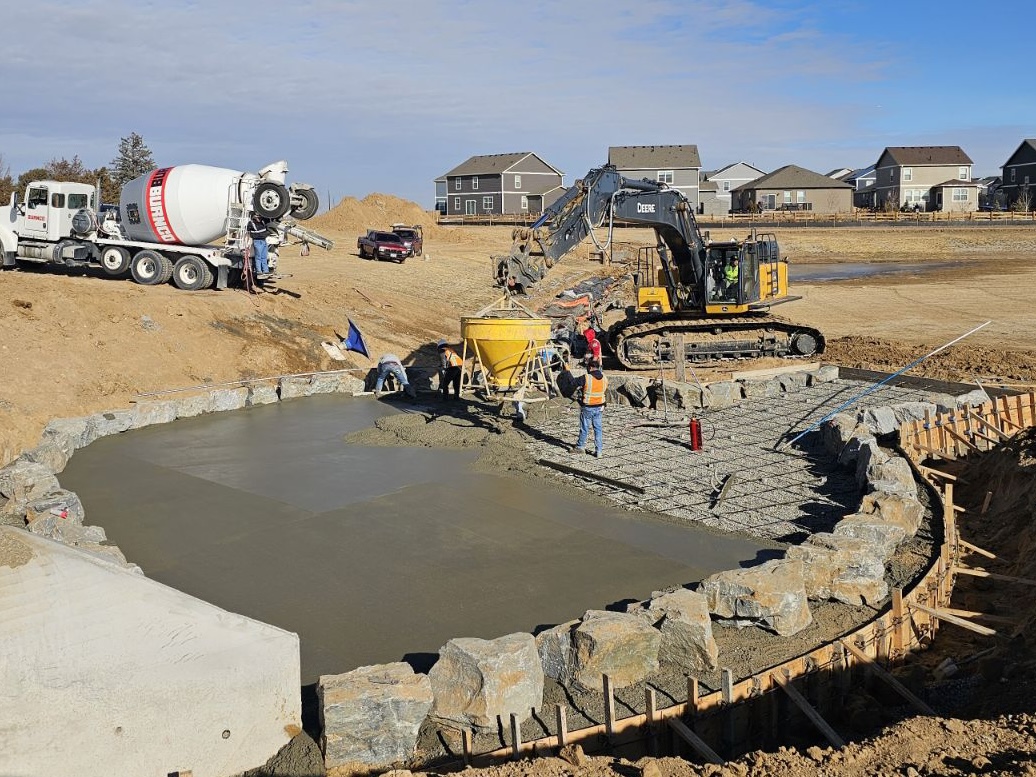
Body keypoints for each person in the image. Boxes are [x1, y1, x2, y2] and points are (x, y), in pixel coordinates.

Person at [570, 360, 608, 458]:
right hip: (600, 406)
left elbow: (573, 382)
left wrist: (567, 372)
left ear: (590, 367)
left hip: (588, 406)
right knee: (598, 429)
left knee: (584, 428)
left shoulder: (587, 377)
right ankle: (599, 451)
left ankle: (580, 447)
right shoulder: (604, 377)